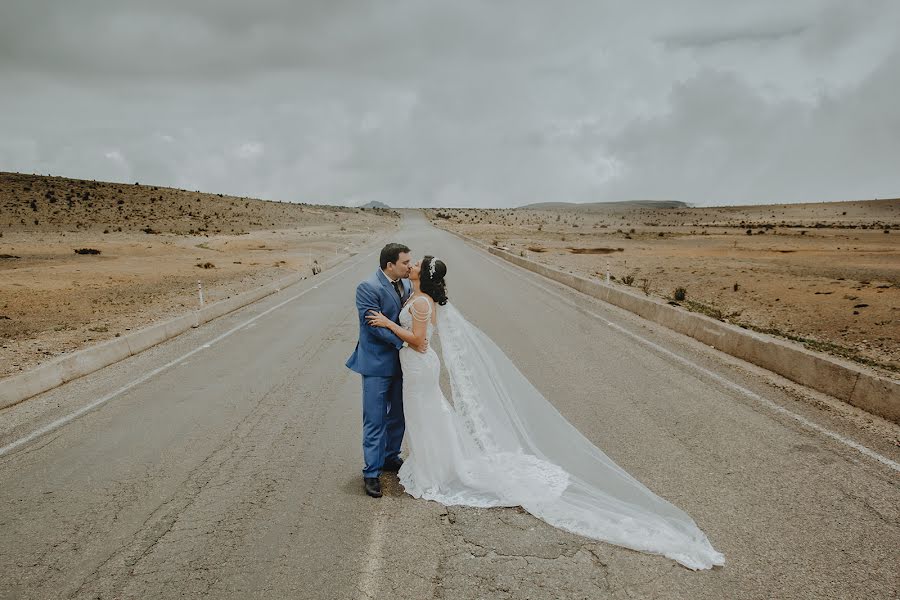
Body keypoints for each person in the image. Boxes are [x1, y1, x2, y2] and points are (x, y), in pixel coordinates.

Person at [365, 255, 725, 570]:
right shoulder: (415, 295)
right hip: (414, 369)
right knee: (429, 417)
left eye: (415, 263)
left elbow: (421, 341)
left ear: (421, 275)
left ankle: (436, 472)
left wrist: (388, 324)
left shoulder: (423, 302)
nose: (410, 265)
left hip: (419, 366)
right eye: (408, 262)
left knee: (428, 415)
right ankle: (434, 464)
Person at [345, 243, 426, 498]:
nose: (410, 266)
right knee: (375, 419)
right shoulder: (367, 287)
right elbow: (374, 327)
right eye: (405, 262)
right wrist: (404, 342)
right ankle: (371, 473)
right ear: (390, 265)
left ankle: (391, 457)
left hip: (403, 364)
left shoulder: (408, 285)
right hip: (377, 364)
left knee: (399, 414)